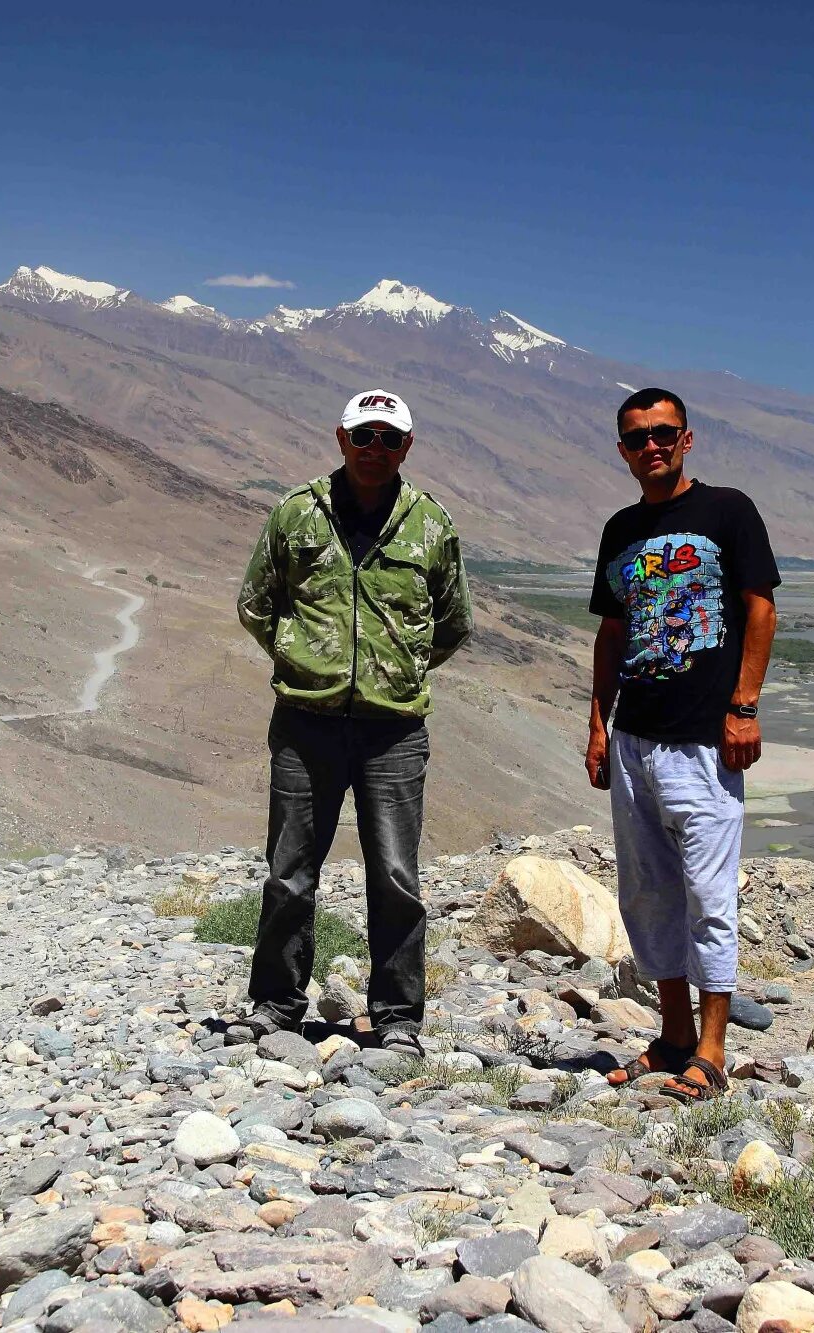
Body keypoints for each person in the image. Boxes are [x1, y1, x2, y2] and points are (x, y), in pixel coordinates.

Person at [230, 388, 472, 1053]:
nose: (375, 450)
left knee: (396, 876)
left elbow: (452, 623)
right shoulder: (297, 514)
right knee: (289, 871)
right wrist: (307, 659)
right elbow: (256, 603)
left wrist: (396, 671)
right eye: (363, 436)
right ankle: (276, 1004)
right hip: (305, 724)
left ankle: (397, 1018)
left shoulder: (431, 524)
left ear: (407, 447)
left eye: (389, 439)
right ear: (340, 438)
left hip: (393, 730)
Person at [585, 387, 779, 1100]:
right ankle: (671, 1036)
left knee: (708, 893)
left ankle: (713, 1050)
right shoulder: (620, 530)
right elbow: (610, 633)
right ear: (624, 451)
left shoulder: (729, 511)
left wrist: (744, 706)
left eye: (664, 433)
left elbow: (761, 609)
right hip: (634, 737)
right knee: (647, 893)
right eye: (638, 438)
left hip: (703, 740)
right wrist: (598, 723)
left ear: (688, 438)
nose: (652, 446)